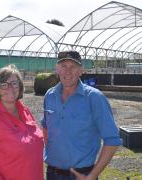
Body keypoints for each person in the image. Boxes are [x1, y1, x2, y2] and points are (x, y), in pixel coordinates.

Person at [42, 50, 122, 180]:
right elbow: (45, 127)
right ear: (57, 69)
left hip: (81, 175)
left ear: (81, 70)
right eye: (63, 66)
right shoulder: (49, 96)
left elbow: (112, 140)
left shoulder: (94, 98)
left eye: (73, 66)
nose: (68, 71)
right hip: (52, 174)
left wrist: (93, 175)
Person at [0, 64, 44, 180]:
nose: (10, 88)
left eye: (14, 83)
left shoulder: (25, 111)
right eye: (3, 85)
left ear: (20, 87)